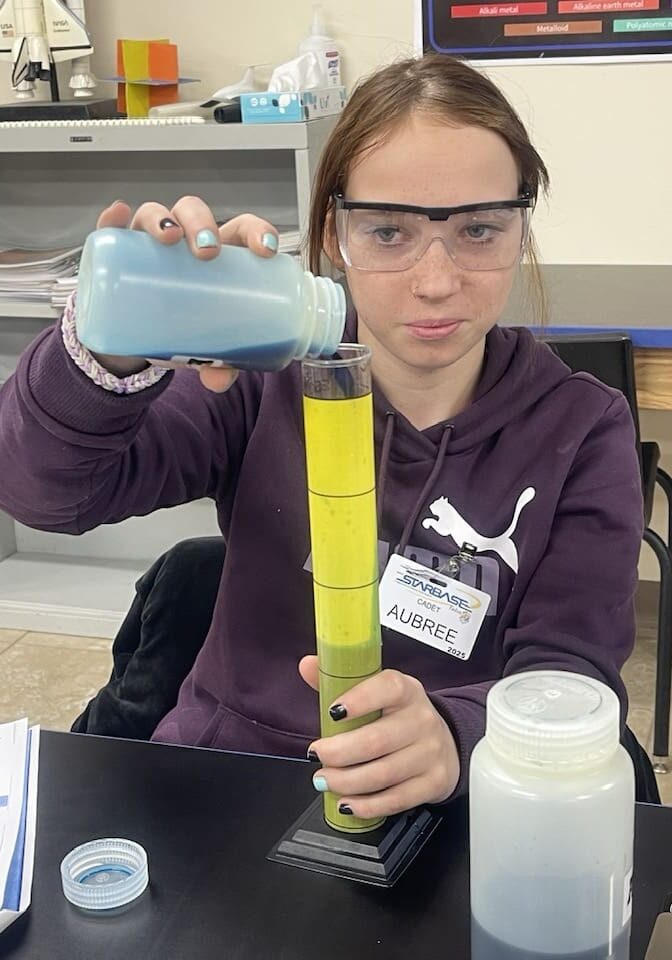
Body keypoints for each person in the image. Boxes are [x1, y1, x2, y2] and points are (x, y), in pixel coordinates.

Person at [0, 55, 652, 816]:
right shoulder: (262, 371)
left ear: (521, 227)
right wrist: (109, 343)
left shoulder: (581, 428)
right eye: (387, 231)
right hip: (232, 776)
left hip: (448, 806)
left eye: (478, 229)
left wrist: (456, 732)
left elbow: (570, 676)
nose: (436, 281)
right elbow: (46, 493)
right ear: (333, 235)